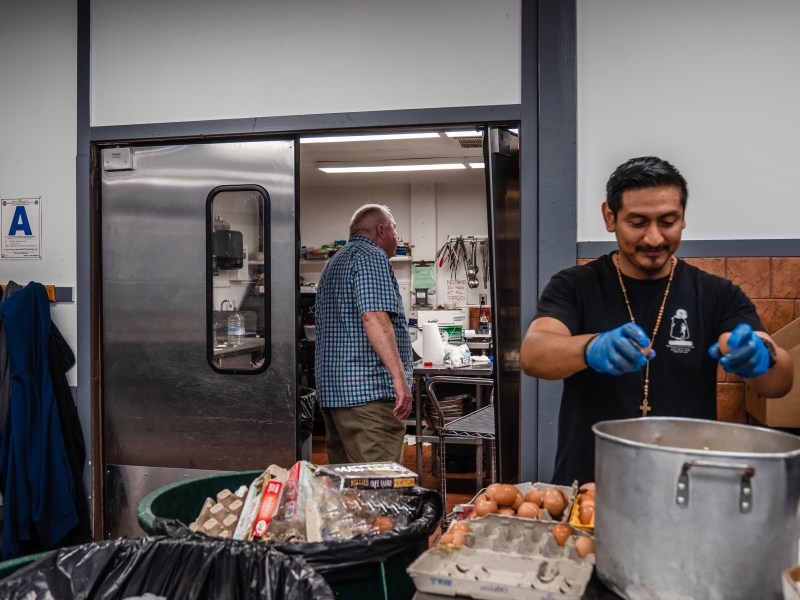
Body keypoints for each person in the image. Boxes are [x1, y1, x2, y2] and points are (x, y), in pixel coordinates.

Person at [520, 156, 793, 485]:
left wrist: (763, 357)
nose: (653, 238)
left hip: (687, 486)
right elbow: (534, 353)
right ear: (610, 217)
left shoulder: (716, 293)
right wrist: (590, 347)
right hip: (591, 487)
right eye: (638, 222)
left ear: (683, 219)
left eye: (667, 221)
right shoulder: (575, 285)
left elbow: (779, 384)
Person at [314, 204, 413, 464]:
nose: (396, 237)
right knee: (379, 487)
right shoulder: (371, 257)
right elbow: (374, 319)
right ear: (381, 230)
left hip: (336, 396)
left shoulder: (335, 261)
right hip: (369, 396)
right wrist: (400, 379)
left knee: (348, 490)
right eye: (394, 230)